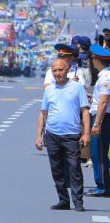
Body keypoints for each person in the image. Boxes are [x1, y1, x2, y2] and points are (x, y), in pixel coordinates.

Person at [35, 55, 90, 211]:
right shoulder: (49, 89)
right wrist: (38, 136)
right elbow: (43, 113)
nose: (57, 73)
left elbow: (85, 111)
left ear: (67, 70)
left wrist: (86, 133)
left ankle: (78, 201)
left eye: (60, 70)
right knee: (57, 169)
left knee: (74, 168)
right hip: (52, 134)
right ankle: (63, 200)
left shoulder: (77, 88)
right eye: (54, 71)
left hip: (71, 135)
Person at [89, 44, 110, 197]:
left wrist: (97, 123)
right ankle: (102, 184)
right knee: (98, 152)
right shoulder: (105, 75)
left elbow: (103, 101)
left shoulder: (105, 77)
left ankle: (102, 186)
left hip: (102, 118)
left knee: (99, 153)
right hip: (101, 116)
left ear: (96, 60)